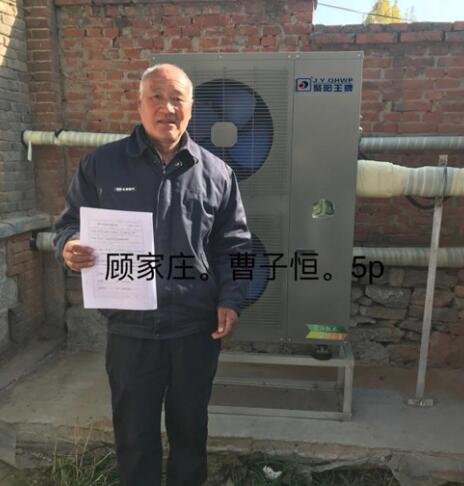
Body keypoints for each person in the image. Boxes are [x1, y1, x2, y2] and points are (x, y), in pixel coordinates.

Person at [54, 63, 251, 486]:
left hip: (195, 331)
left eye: (177, 98)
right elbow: (69, 225)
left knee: (190, 430)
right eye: (156, 98)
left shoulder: (217, 174)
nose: (167, 108)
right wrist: (70, 247)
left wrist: (231, 300)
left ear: (191, 107)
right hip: (131, 331)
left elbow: (235, 247)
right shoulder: (102, 165)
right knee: (134, 435)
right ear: (140, 105)